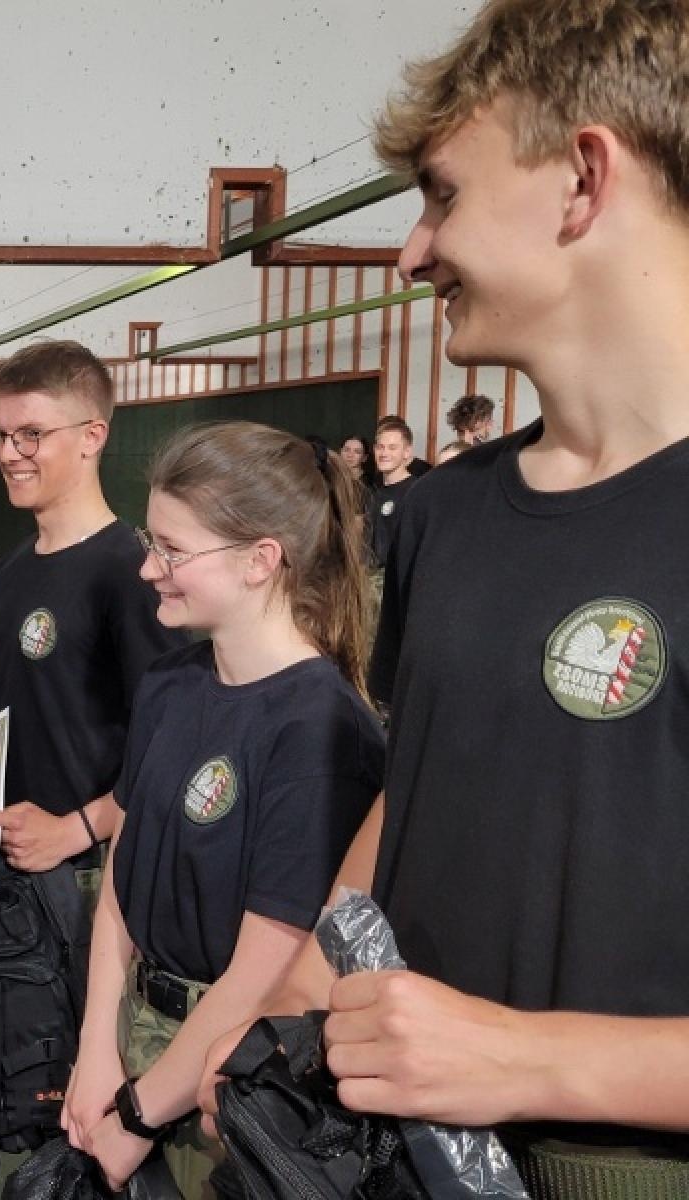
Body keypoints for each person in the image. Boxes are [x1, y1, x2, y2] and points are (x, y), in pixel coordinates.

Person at [200, 0, 689, 1191]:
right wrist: (303, 983)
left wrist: (527, 1061)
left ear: (582, 179)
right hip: (388, 1153)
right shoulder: (445, 514)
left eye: (442, 195)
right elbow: (416, 782)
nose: (412, 251)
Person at [61, 423, 383, 1196]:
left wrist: (139, 1114)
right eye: (152, 540)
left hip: (226, 1066)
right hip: (131, 1031)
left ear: (260, 560)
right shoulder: (169, 685)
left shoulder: (320, 725)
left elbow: (267, 968)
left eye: (173, 550)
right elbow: (122, 878)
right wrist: (97, 1045)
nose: (148, 568)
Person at [0, 339, 180, 1154]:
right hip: (20, 877)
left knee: (100, 1095)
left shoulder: (131, 573)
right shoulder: (19, 568)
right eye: (2, 437)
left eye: (30, 436)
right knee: (26, 1082)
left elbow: (168, 754)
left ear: (91, 436)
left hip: (97, 882)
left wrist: (80, 829)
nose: (9, 455)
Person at [366, 415, 419, 569]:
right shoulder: (373, 492)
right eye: (380, 447)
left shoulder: (416, 492)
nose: (384, 453)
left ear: (407, 452)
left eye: (392, 447)